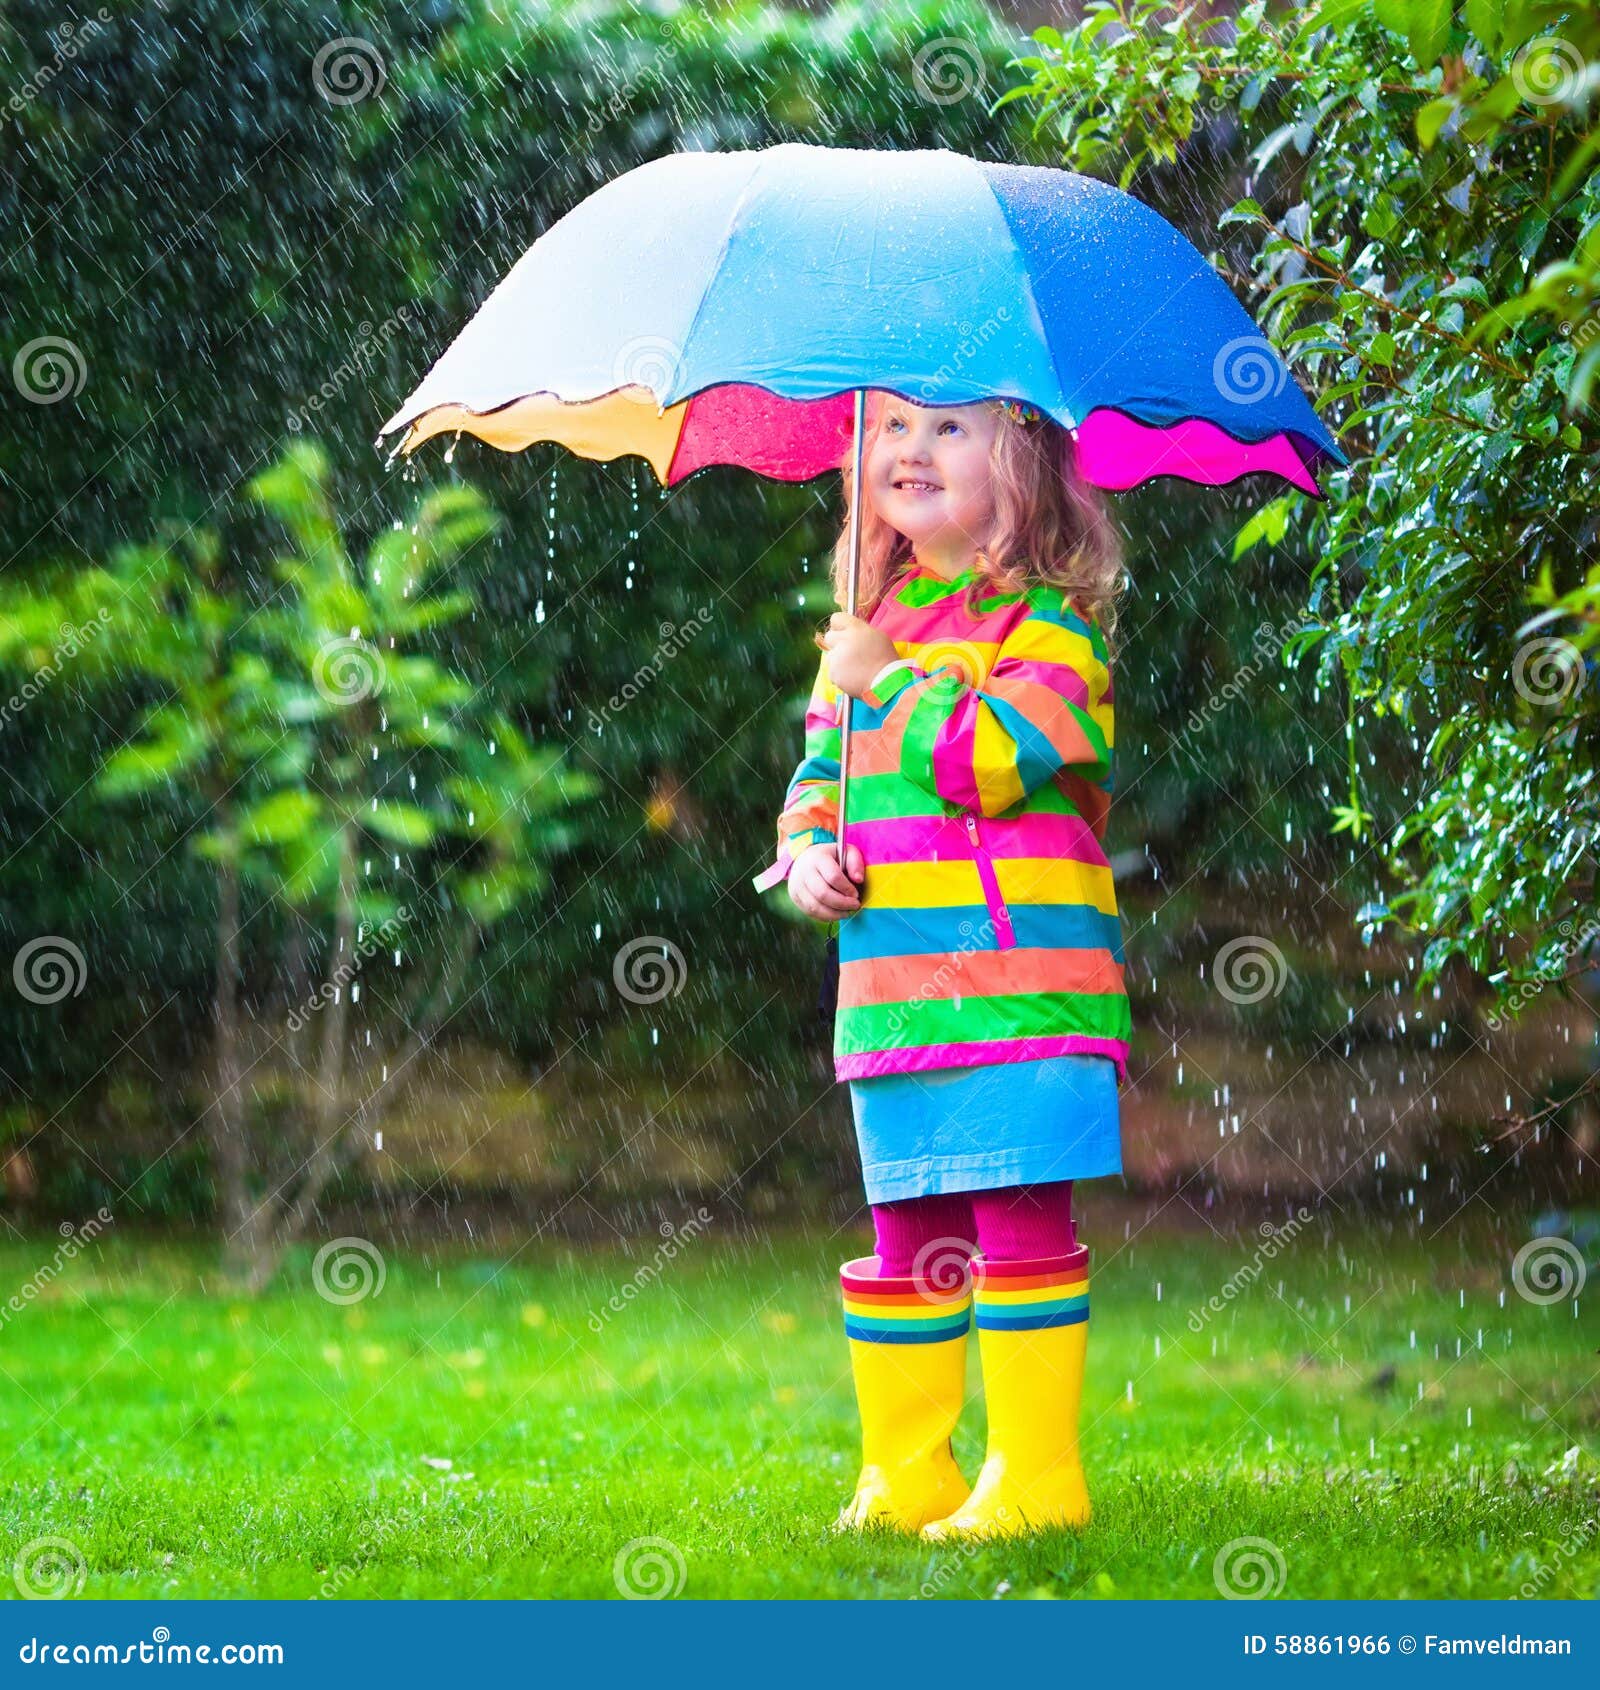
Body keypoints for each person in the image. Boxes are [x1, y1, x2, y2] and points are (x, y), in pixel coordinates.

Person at [753, 391, 1132, 1539]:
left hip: (1025, 997)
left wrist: (885, 679)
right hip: (892, 999)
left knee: (1016, 1223)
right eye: (892, 429)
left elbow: (993, 761)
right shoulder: (867, 629)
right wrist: (808, 851)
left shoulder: (1051, 630)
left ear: (1022, 466)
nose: (908, 449)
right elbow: (821, 775)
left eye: (949, 428)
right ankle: (906, 1468)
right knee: (910, 1238)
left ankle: (1034, 1478)